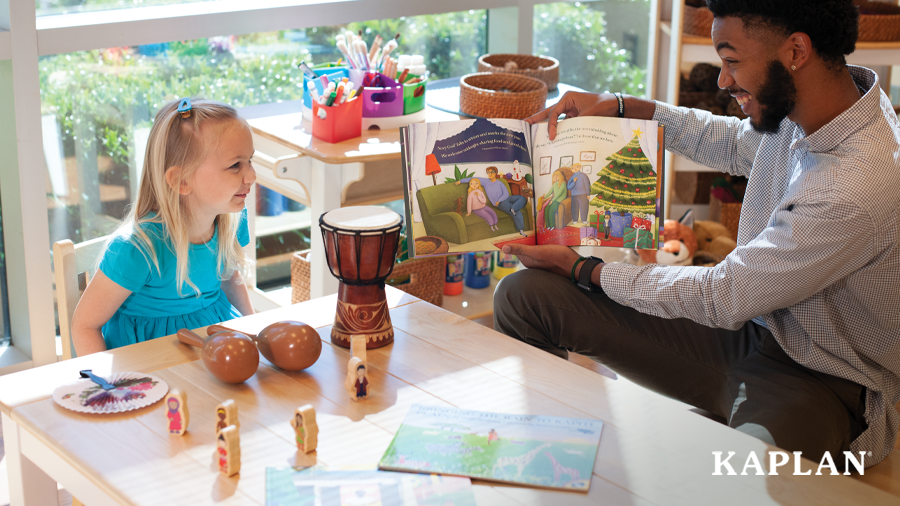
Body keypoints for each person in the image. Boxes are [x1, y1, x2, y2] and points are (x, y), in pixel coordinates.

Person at [494, 0, 900, 468]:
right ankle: (546, 458)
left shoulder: (854, 184)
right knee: (525, 295)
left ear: (796, 51)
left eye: (731, 61)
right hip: (744, 330)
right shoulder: (812, 105)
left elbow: (723, 293)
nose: (724, 81)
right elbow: (729, 142)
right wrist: (622, 107)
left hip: (820, 380)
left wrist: (586, 269)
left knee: (738, 478)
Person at [71, 98, 256, 356]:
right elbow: (85, 325)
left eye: (250, 161)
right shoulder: (136, 250)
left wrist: (255, 330)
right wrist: (108, 388)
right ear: (181, 181)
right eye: (235, 165)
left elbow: (229, 280)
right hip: (150, 364)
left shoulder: (231, 218)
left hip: (214, 346)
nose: (251, 176)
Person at [457, 167, 528, 236]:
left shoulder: (500, 183)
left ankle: (513, 208)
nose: (490, 174)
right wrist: (460, 181)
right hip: (501, 204)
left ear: (495, 173)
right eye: (488, 172)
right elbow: (473, 179)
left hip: (506, 199)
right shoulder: (486, 182)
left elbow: (506, 193)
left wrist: (499, 199)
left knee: (523, 198)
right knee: (517, 212)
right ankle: (521, 230)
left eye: (492, 172)